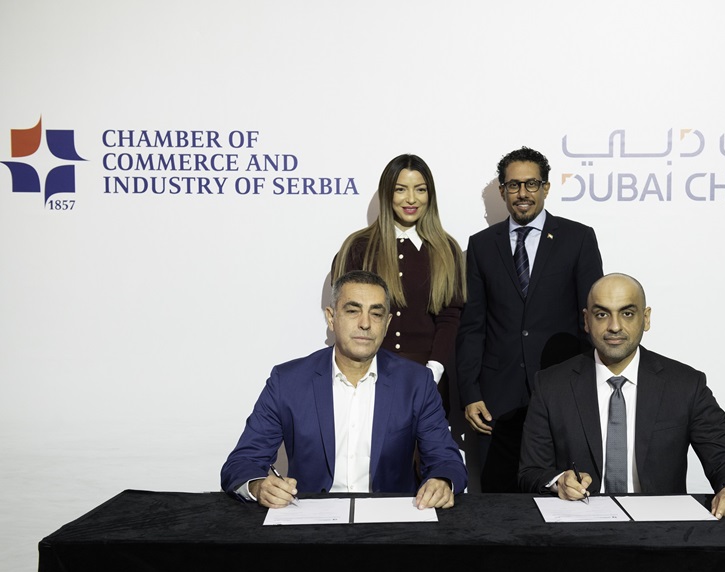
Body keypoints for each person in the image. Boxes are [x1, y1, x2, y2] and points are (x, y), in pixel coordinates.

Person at [519, 273, 725, 518]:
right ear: (587, 320)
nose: (614, 326)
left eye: (627, 313)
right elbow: (530, 472)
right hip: (581, 524)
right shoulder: (551, 385)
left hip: (661, 528)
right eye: (602, 314)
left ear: (646, 319)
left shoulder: (685, 384)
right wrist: (558, 481)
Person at [221, 270, 467, 509]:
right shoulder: (287, 381)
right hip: (309, 519)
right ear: (331, 318)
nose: (365, 324)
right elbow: (243, 461)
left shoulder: (416, 382)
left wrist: (442, 481)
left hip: (390, 519)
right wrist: (259, 486)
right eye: (352, 311)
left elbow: (446, 460)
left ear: (387, 323)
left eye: (376, 314)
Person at [456, 147, 604, 492]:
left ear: (546, 187)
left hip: (562, 392)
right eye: (514, 185)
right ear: (503, 191)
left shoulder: (578, 238)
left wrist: (589, 388)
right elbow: (473, 324)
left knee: (564, 495)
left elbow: (592, 319)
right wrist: (470, 393)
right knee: (498, 500)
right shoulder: (481, 245)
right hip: (497, 401)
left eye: (531, 184)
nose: (522, 193)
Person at [333, 154, 465, 415]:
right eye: (401, 189)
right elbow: (347, 315)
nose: (411, 199)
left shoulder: (446, 249)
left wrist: (432, 372)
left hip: (428, 380)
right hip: (366, 378)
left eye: (420, 190)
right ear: (387, 193)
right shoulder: (357, 247)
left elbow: (449, 318)